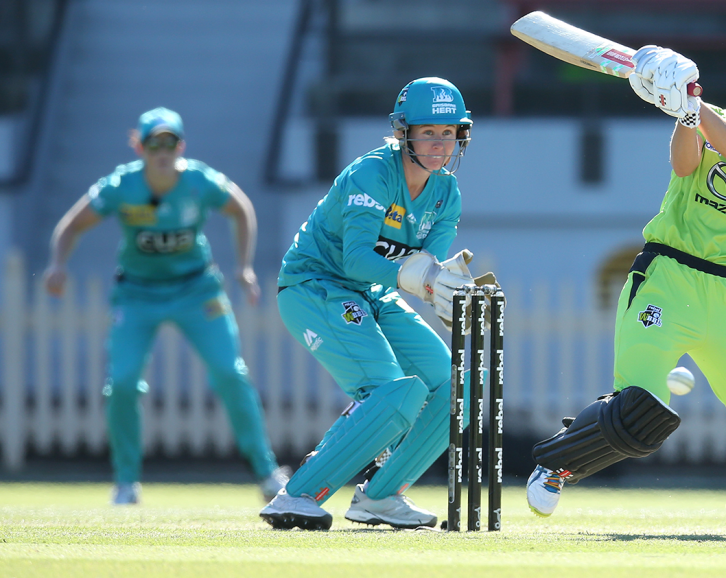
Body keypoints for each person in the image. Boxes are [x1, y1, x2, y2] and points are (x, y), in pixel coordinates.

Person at [524, 43, 726, 536]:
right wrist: (686, 115)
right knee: (637, 413)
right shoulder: (705, 121)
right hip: (667, 278)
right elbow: (685, 166)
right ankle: (556, 465)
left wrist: (692, 105)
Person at [259, 77, 487, 531]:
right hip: (316, 285)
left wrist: (442, 289)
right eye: (428, 132)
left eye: (448, 133)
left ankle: (381, 497)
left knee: (457, 389)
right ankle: (298, 494)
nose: (439, 144)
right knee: (392, 391)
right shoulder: (372, 174)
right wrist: (418, 278)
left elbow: (425, 268)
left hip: (372, 293)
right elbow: (357, 259)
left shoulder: (447, 194)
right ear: (403, 132)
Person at [44, 107, 289, 505]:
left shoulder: (199, 180)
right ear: (138, 147)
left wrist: (243, 267)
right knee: (122, 383)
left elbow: (241, 208)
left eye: (170, 142)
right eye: (154, 143)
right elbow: (71, 225)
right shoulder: (120, 186)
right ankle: (126, 482)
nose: (162, 151)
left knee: (230, 373)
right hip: (137, 294)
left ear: (181, 146)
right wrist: (58, 264)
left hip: (198, 290)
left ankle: (267, 473)